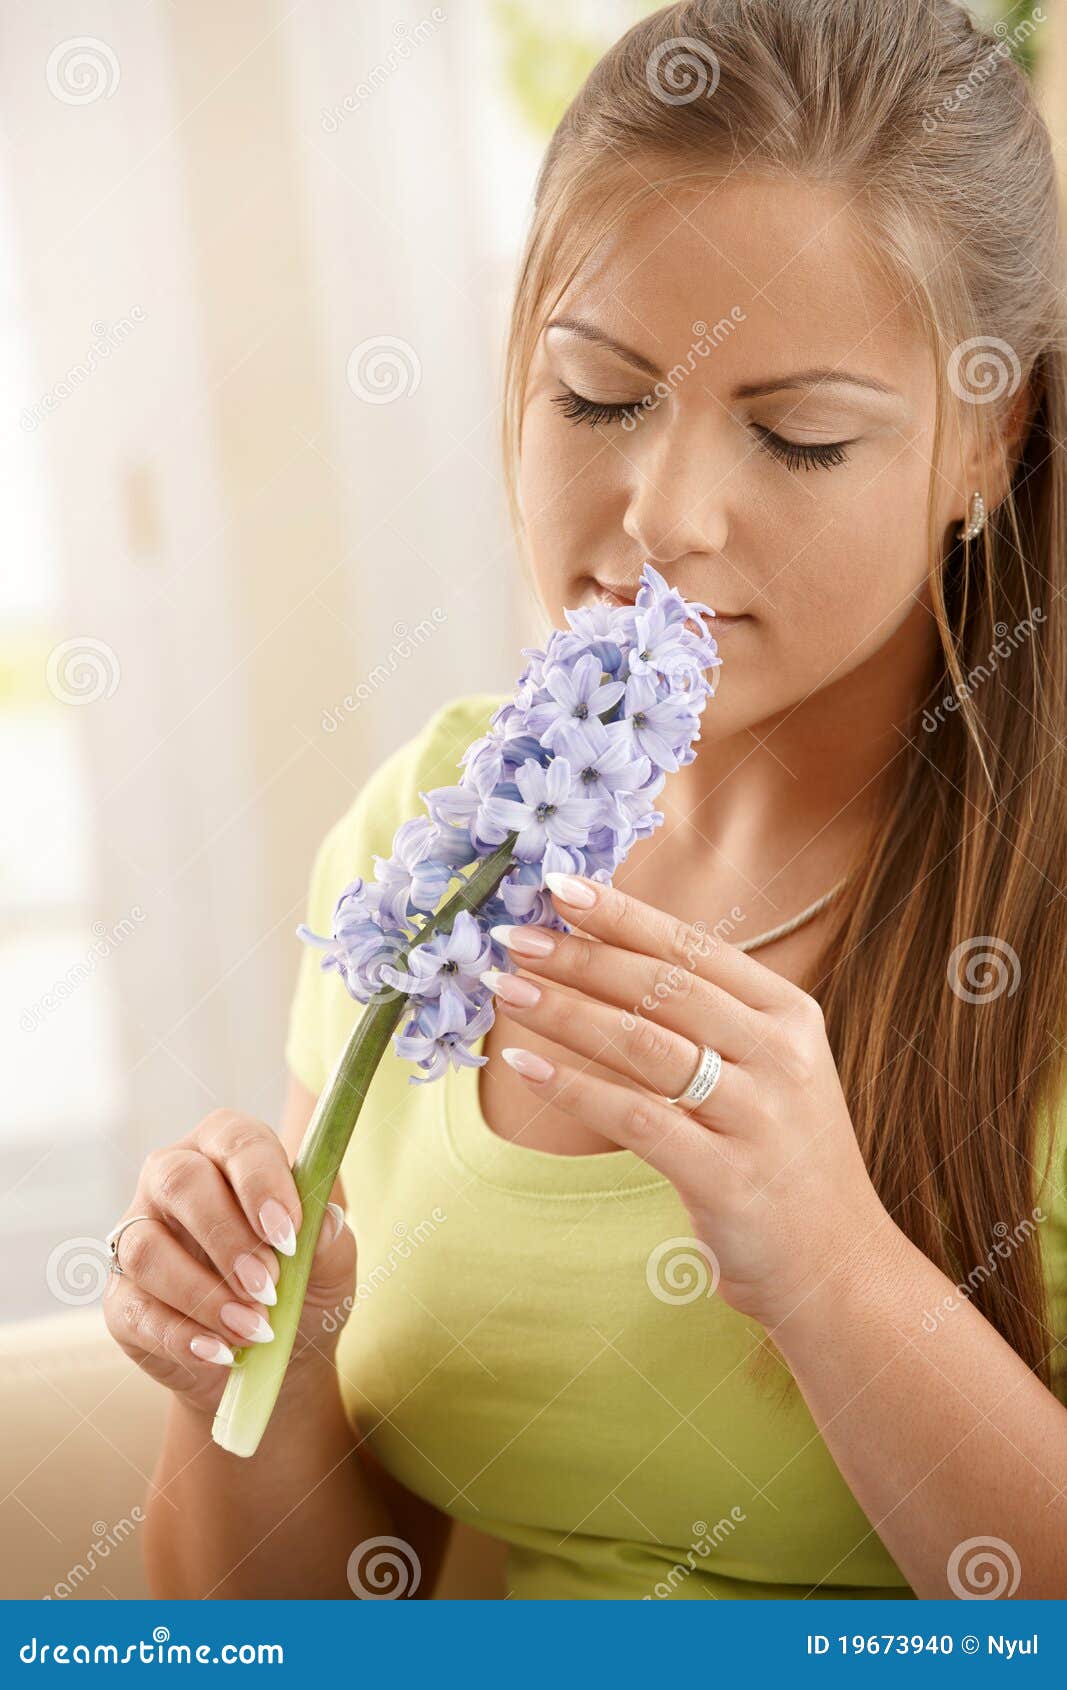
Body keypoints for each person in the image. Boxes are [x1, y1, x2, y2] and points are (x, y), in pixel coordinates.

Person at [106, 0, 1067, 1599]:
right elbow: (294, 1630)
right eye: (601, 397)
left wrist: (828, 1265)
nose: (666, 513)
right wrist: (252, 1368)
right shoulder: (428, 826)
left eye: (801, 434)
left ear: (990, 439)